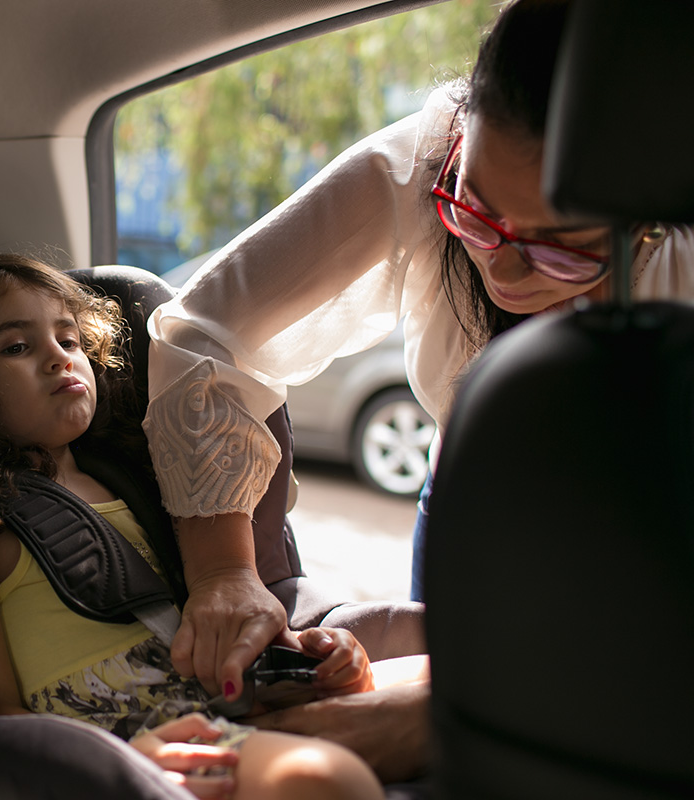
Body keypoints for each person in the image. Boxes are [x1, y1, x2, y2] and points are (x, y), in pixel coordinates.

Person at [140, 0, 693, 782]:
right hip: (477, 507)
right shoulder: (422, 161)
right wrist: (225, 574)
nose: (500, 269)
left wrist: (415, 715)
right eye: (476, 212)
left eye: (559, 252)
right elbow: (206, 333)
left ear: (653, 227)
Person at [0, 252, 388, 800]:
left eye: (69, 340)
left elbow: (190, 636)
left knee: (442, 684)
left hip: (205, 698)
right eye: (17, 347)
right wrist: (117, 764)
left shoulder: (134, 484)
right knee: (325, 780)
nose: (58, 358)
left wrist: (310, 668)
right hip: (117, 742)